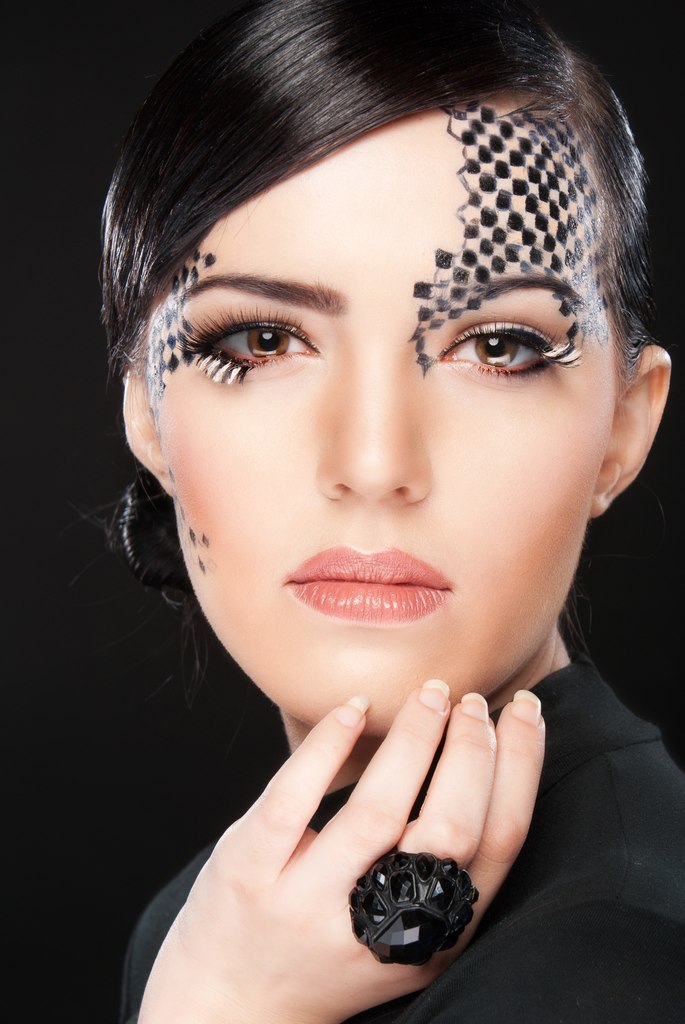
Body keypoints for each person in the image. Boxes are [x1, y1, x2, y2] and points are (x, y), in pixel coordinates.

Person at [102, 0, 684, 1020]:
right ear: (147, 411)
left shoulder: (609, 969)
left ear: (623, 430)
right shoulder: (222, 919)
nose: (374, 465)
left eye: (496, 347)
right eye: (262, 341)